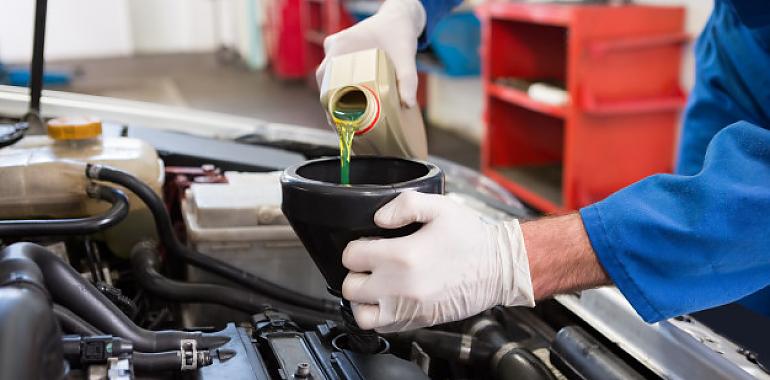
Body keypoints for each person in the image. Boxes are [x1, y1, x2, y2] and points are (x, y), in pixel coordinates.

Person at [316, 0, 770, 333]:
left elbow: (750, 208)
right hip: (741, 38)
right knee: (700, 303)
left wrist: (512, 259)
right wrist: (412, 9)